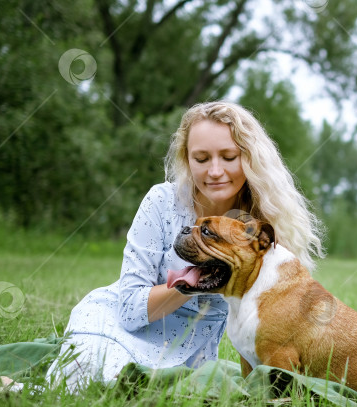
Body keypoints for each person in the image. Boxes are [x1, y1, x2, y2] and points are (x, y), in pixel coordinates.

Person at [45, 101, 323, 391]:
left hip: (189, 352)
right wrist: (191, 282)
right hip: (116, 326)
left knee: (142, 393)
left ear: (250, 158)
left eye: (229, 156)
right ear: (187, 159)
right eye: (201, 159)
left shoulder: (262, 225)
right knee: (87, 380)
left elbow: (286, 309)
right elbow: (128, 311)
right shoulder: (161, 202)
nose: (215, 171)